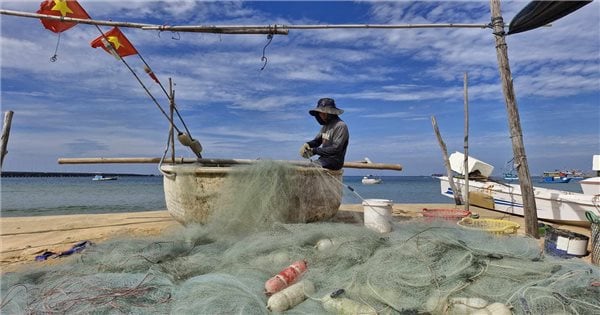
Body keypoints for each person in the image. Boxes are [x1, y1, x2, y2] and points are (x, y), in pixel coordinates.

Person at [299, 98, 349, 170]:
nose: (321, 115)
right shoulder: (325, 126)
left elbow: (336, 149)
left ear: (330, 113)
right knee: (305, 167)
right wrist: (307, 144)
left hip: (335, 161)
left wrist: (314, 151)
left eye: (323, 113)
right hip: (324, 159)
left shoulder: (340, 126)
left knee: (310, 168)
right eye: (320, 113)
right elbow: (317, 141)